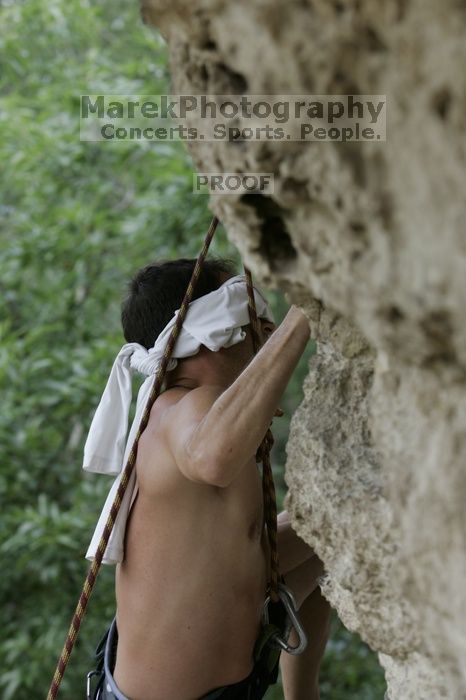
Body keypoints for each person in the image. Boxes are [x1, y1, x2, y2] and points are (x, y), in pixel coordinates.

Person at [87, 257, 331, 700]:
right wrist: (304, 313)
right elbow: (211, 457)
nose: (266, 328)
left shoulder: (187, 416)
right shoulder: (181, 409)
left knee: (332, 534)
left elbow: (263, 559)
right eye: (253, 314)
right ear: (215, 331)